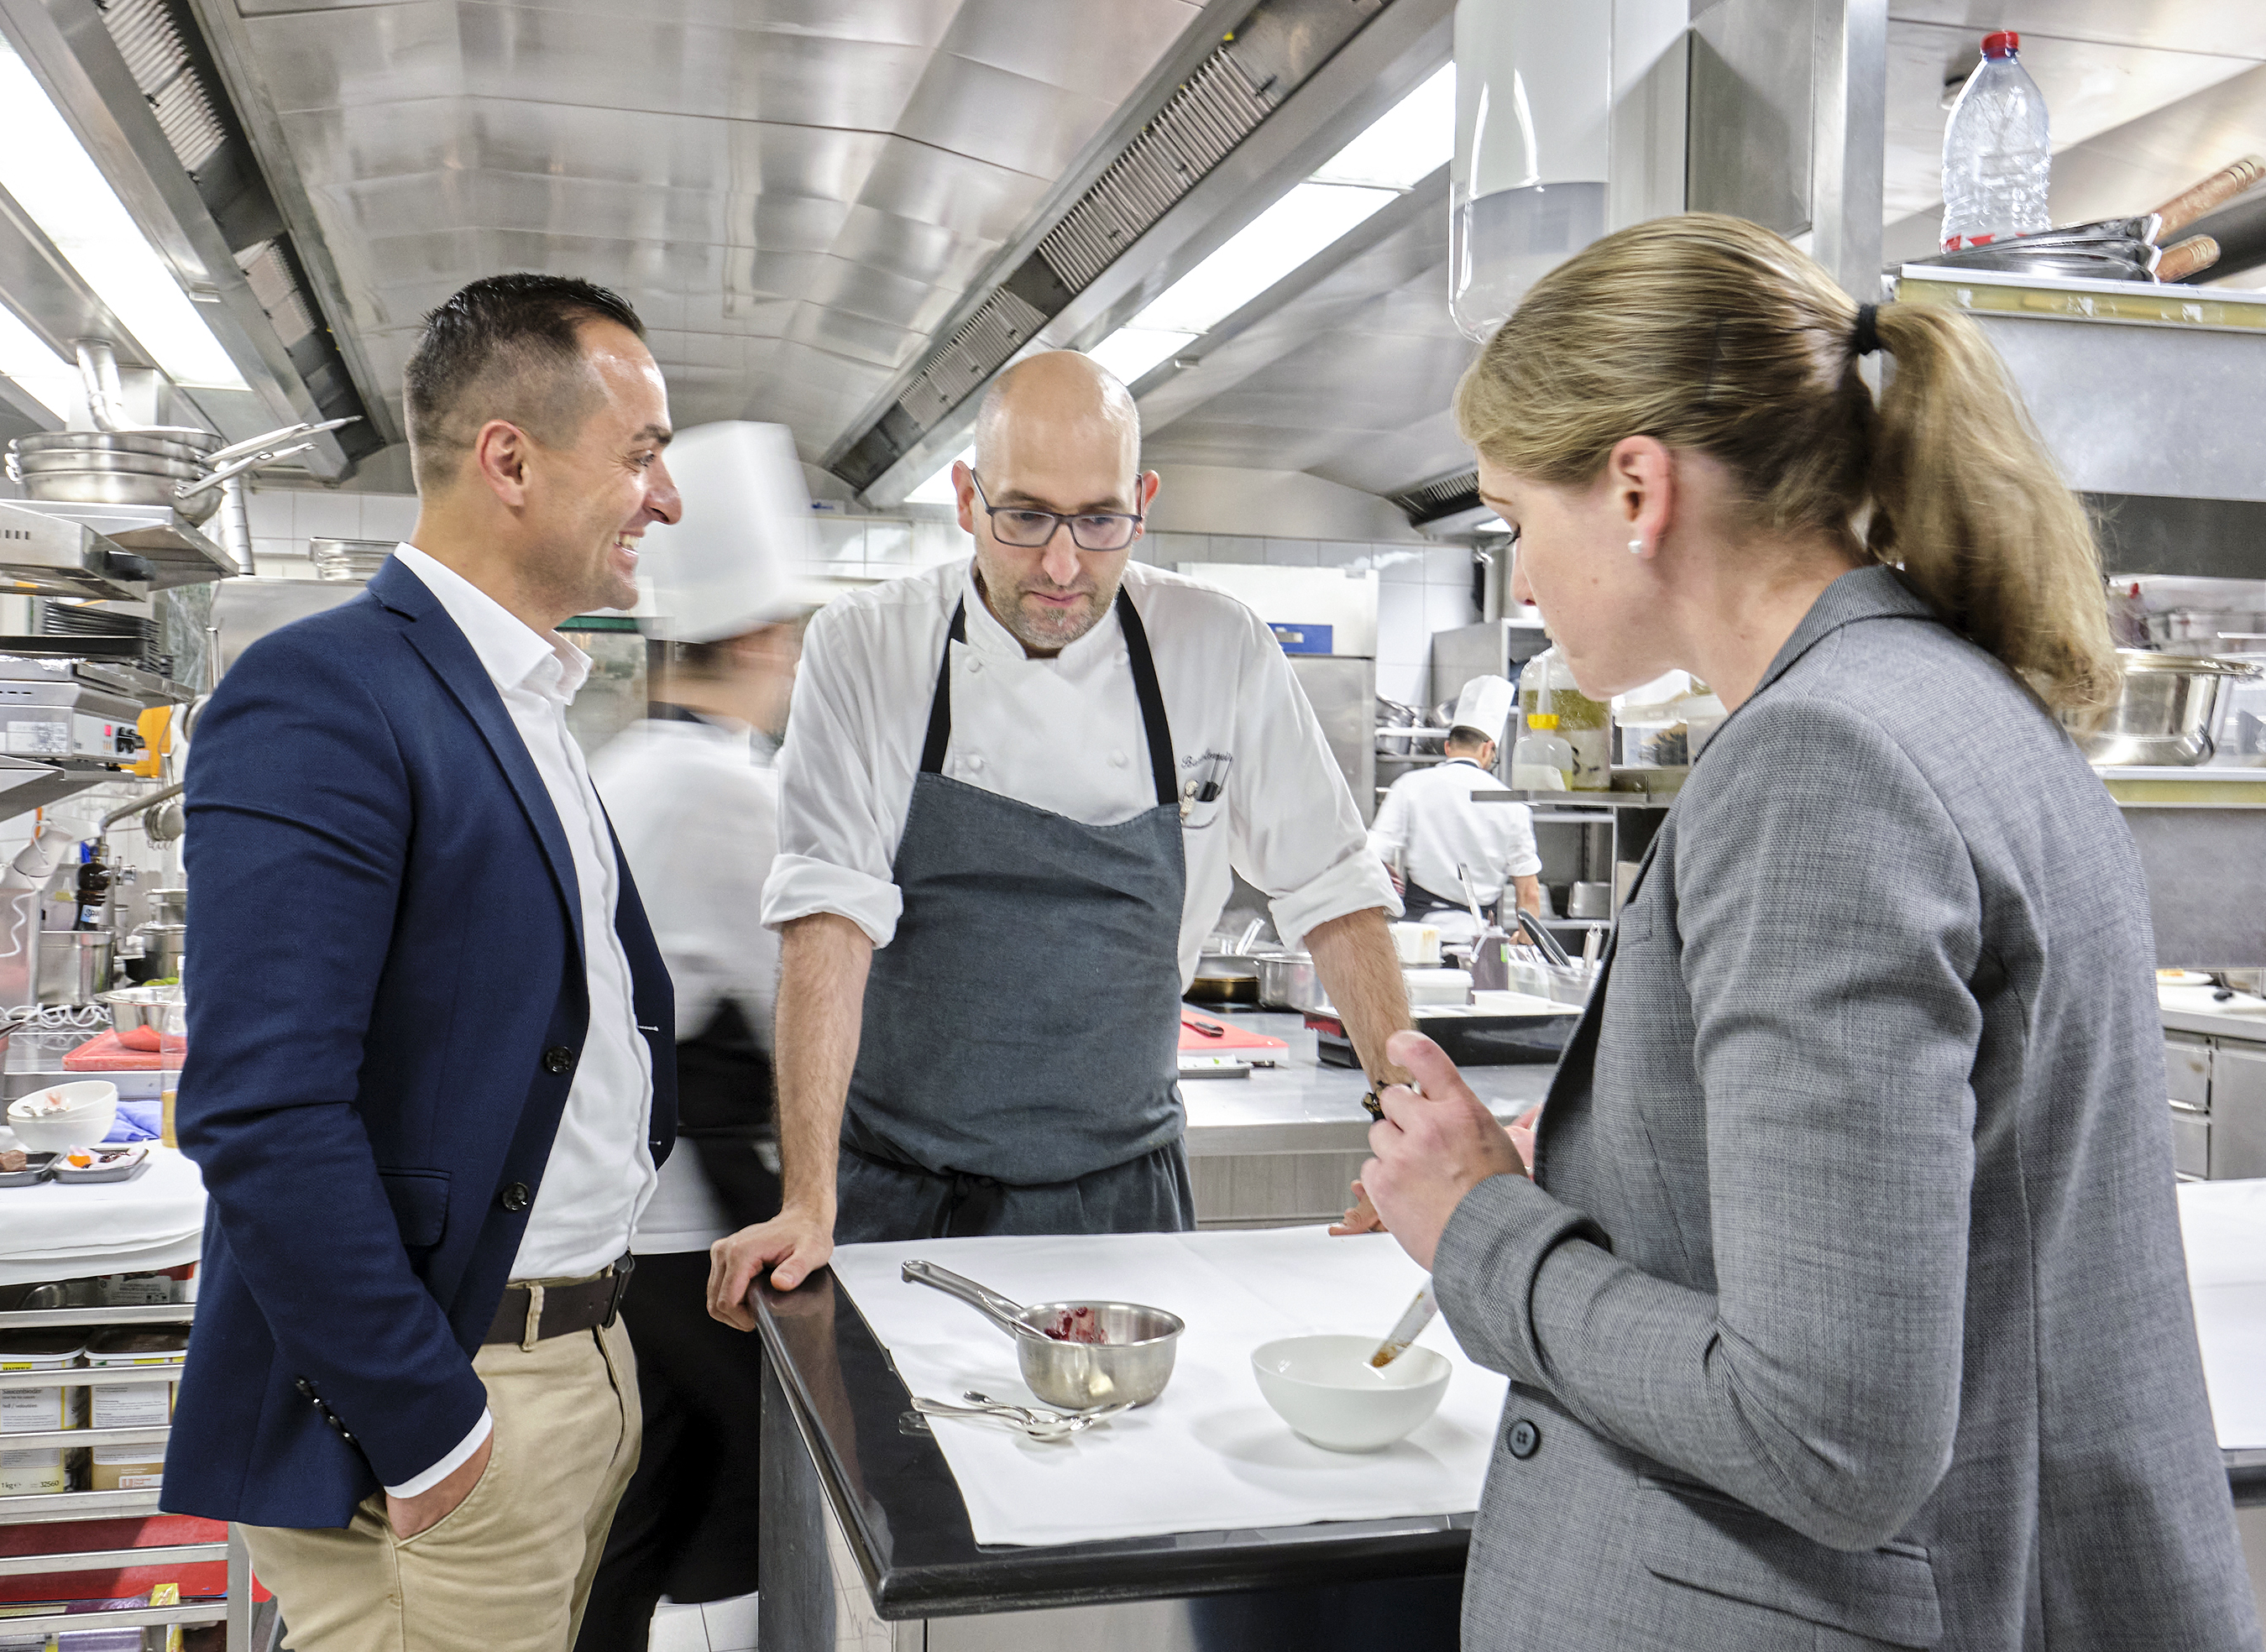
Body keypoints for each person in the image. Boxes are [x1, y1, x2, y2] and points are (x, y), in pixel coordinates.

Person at [1355, 215, 2259, 1649]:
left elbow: (1828, 1432)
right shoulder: (1961, 701)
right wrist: (1618, 1159)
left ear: (1636, 486)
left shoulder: (1817, 768)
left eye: (1517, 520)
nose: (1519, 582)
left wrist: (1479, 1227)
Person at [164, 273, 685, 1652]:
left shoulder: (528, 704)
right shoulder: (324, 692)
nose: (665, 499)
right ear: (509, 458)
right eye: (641, 456)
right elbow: (260, 1112)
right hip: (457, 1401)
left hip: (569, 1368)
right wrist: (428, 1424)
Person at [708, 349, 1414, 1324]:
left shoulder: (1217, 647)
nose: (1061, 564)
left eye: (1099, 520)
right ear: (965, 499)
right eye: (1025, 516)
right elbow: (826, 919)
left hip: (1124, 1195)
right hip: (902, 1198)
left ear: (1143, 500)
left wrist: (1409, 1139)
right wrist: (807, 1199)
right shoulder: (868, 645)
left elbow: (1333, 892)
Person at [577, 421, 804, 1652]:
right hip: (689, 1240)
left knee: (640, 1516)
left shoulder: (628, 764)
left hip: (623, 1230)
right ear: (760, 639)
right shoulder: (727, 791)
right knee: (743, 1499)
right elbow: (801, 1019)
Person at [1367, 709, 1541, 934]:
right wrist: (1525, 939)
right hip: (1483, 936)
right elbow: (1529, 892)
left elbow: (1372, 857)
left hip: (1419, 935)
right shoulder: (1511, 802)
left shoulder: (1410, 785)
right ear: (1488, 749)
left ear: (1448, 747)